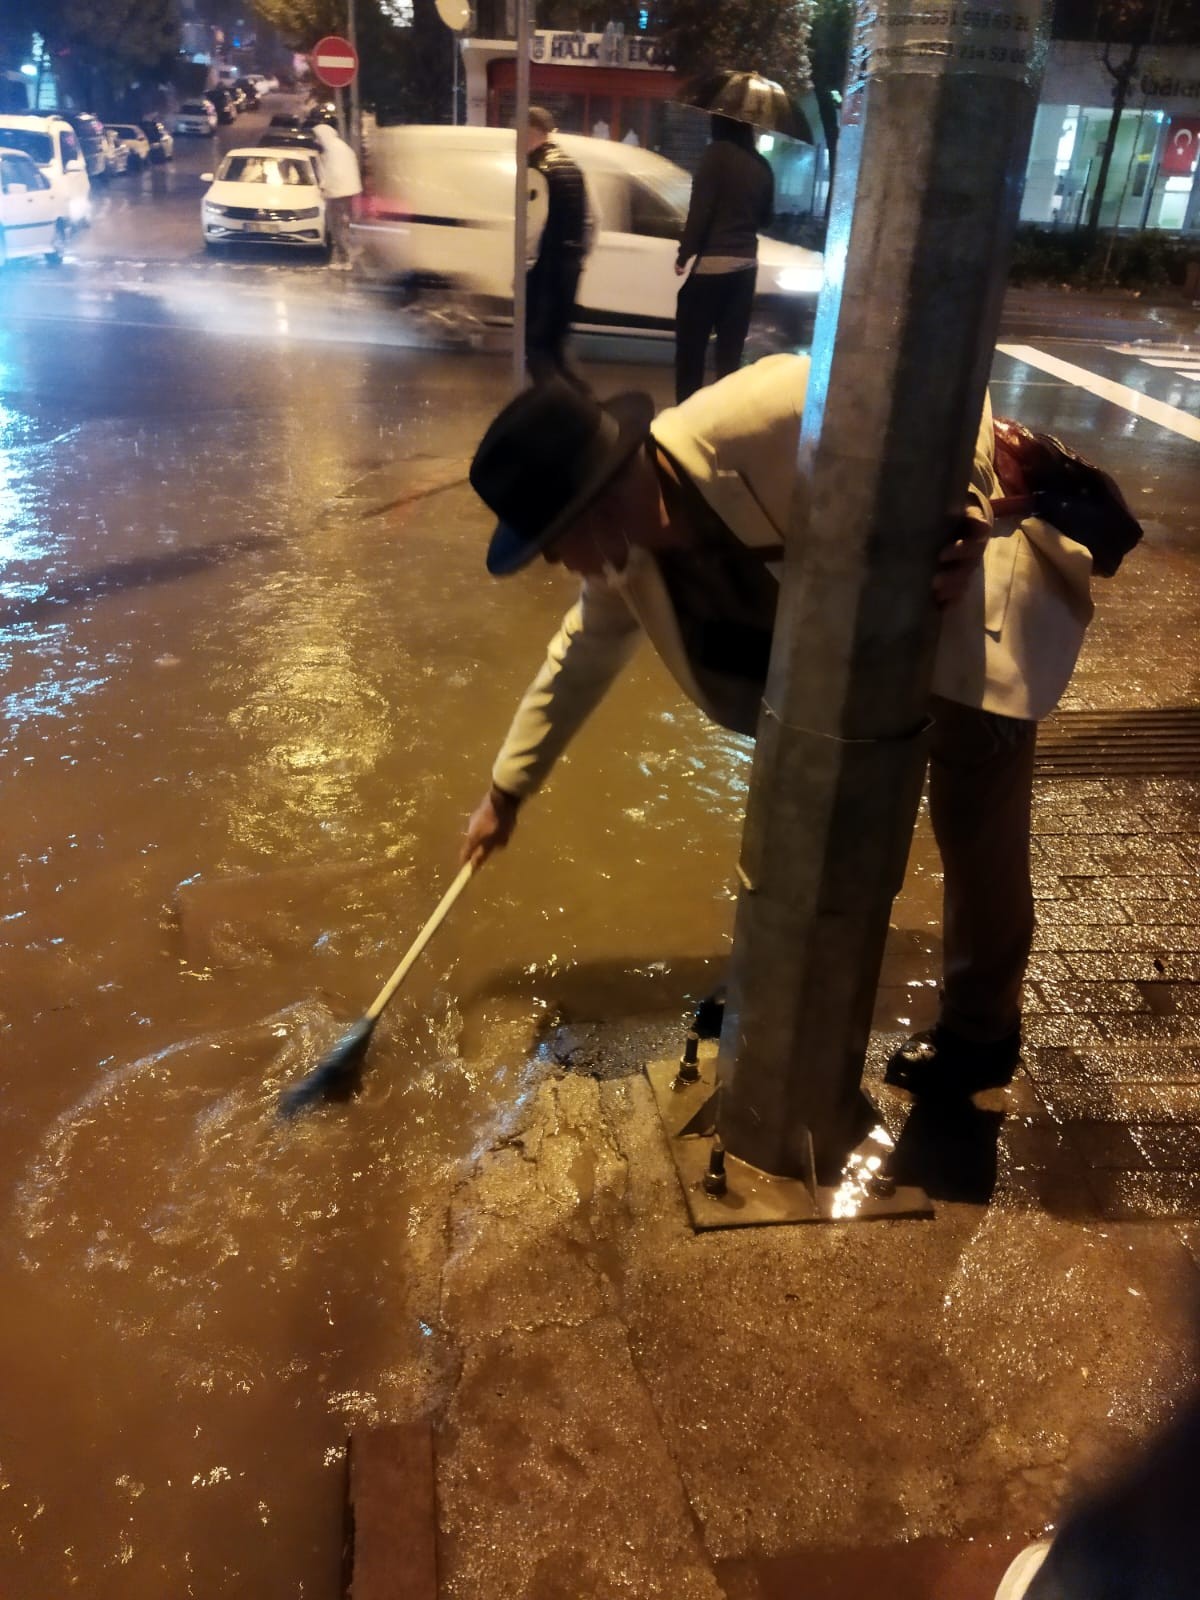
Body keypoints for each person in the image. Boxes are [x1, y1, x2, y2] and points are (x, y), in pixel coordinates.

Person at [460, 357, 1099, 1099]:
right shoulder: (625, 558)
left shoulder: (770, 410)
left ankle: (980, 1034)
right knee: (810, 821)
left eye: (547, 541)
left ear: (590, 509)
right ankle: (787, 992)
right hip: (847, 667)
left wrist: (967, 500)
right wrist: (505, 793)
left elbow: (945, 374)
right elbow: (580, 655)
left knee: (976, 828)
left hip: (961, 609)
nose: (550, 561)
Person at [673, 115, 775, 404]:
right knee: (729, 355)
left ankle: (687, 412)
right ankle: (724, 414)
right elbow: (767, 219)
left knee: (691, 349)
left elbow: (700, 210)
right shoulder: (761, 164)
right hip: (745, 268)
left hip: (712, 266)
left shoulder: (716, 155)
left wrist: (685, 253)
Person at [524, 106, 590, 385]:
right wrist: (579, 256)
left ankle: (560, 401)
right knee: (558, 343)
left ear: (531, 131)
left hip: (546, 268)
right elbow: (592, 219)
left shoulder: (537, 169)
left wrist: (523, 267)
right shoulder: (572, 167)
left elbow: (532, 226)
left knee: (536, 345)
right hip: (569, 266)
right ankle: (576, 397)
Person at [311, 122, 362, 268]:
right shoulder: (341, 147)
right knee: (344, 226)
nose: (316, 141)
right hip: (349, 192)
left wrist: (325, 189)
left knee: (336, 227)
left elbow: (334, 174)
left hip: (338, 194)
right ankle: (346, 256)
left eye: (318, 137)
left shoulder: (333, 151)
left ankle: (344, 260)